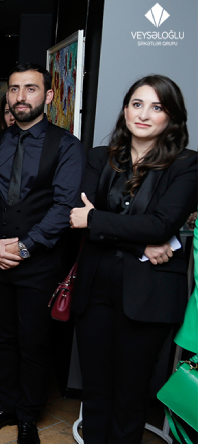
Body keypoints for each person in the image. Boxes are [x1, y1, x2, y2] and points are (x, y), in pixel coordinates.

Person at [69, 75, 196, 443]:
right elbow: (77, 220)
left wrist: (99, 220)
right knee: (95, 389)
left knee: (131, 391)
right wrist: (141, 244)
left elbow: (160, 224)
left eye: (156, 107)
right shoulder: (99, 157)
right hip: (95, 289)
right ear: (125, 110)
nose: (143, 114)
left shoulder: (187, 164)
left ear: (172, 117)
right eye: (137, 104)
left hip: (149, 296)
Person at [0, 63, 84, 444]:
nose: (21, 97)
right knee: (0, 339)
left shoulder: (66, 145)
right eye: (15, 89)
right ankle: (6, 405)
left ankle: (28, 415)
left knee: (33, 341)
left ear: (48, 96)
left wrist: (24, 246)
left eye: (30, 88)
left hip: (39, 263)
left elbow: (64, 207)